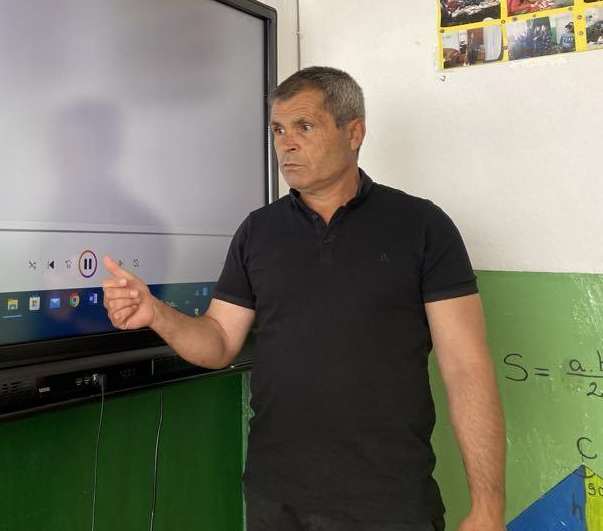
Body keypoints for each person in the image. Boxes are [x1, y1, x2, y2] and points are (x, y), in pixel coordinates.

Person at [102, 68, 506, 531]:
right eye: (278, 130)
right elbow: (218, 343)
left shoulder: (423, 227)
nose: (286, 144)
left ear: (354, 132)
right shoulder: (257, 231)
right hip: (276, 500)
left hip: (390, 501)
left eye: (304, 127)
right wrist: (156, 313)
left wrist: (488, 506)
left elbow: (466, 367)